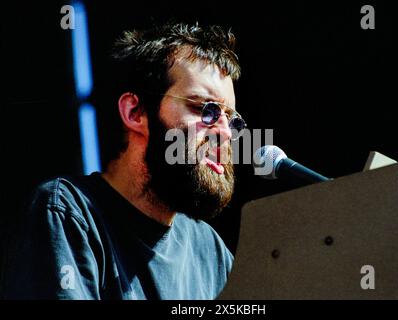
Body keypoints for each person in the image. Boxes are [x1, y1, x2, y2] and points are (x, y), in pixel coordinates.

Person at [1, 22, 246, 299]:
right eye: (206, 109)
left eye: (232, 119)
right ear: (135, 112)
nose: (225, 133)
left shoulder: (210, 251)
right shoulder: (69, 214)